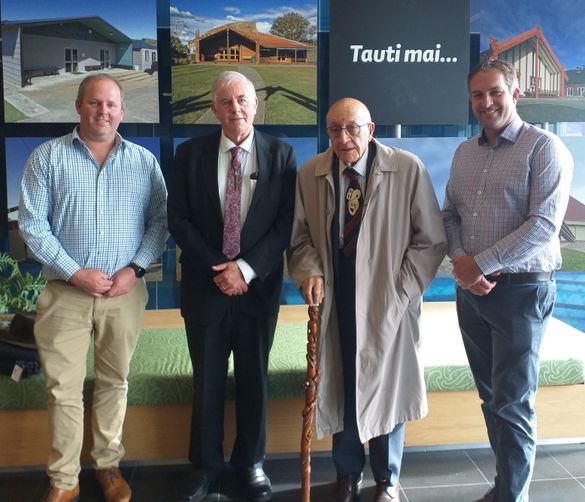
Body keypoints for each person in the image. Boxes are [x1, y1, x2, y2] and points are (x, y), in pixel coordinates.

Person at [287, 97, 447, 502]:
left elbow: (430, 240)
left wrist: (402, 290)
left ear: (371, 129)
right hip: (337, 296)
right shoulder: (311, 173)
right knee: (342, 382)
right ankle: (347, 474)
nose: (343, 139)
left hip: (387, 298)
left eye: (352, 128)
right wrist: (311, 272)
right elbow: (300, 239)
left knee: (386, 386)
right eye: (334, 130)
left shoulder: (407, 168)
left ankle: (387, 479)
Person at [18, 74, 168, 502]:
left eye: (111, 105)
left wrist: (136, 268)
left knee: (113, 382)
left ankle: (108, 466)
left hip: (124, 294)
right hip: (65, 294)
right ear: (79, 106)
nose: (103, 112)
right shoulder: (46, 158)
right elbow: (32, 226)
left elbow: (160, 222)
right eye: (95, 103)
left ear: (122, 111)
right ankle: (64, 480)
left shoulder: (143, 162)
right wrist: (73, 271)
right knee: (62, 388)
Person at [442, 60, 573, 502]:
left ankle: (513, 497)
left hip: (522, 292)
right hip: (472, 294)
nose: (486, 102)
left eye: (495, 92)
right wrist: (462, 261)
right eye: (478, 95)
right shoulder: (465, 152)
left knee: (514, 404)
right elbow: (450, 215)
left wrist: (479, 264)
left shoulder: (545, 148)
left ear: (515, 94)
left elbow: (543, 227)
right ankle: (505, 487)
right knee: (491, 398)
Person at [167, 71, 296, 502]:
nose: (235, 109)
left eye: (242, 99)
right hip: (205, 288)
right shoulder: (189, 155)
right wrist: (219, 268)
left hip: (257, 290)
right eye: (225, 101)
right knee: (206, 381)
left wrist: (245, 269)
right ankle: (205, 468)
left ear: (256, 103)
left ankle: (250, 463)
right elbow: (178, 220)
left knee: (253, 378)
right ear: (213, 108)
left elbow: (284, 225)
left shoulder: (281, 155)